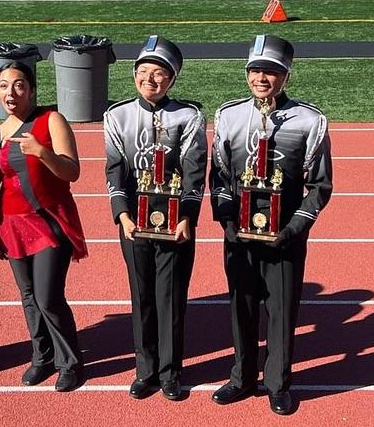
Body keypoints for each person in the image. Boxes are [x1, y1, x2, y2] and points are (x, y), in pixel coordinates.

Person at [209, 35, 333, 415]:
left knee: (281, 312)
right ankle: (242, 377)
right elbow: (220, 176)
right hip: (239, 236)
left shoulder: (310, 121)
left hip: (285, 236)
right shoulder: (228, 116)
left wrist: (293, 228)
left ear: (286, 76)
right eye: (255, 70)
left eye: (271, 72)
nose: (262, 78)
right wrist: (228, 220)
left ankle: (277, 382)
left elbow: (320, 186)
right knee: (241, 308)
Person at [104, 36, 207, 401]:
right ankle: (145, 370)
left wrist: (187, 217)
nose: (150, 79)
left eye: (159, 74)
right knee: (142, 297)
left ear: (172, 79)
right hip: (135, 224)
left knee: (172, 298)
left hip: (176, 224)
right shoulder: (117, 115)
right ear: (134, 75)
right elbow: (115, 169)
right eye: (143, 72)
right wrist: (122, 215)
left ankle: (171, 372)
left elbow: (195, 171)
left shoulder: (188, 116)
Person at [0, 62, 87, 392]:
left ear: (32, 89)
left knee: (48, 297)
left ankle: (71, 363)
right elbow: (3, 179)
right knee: (29, 297)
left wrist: (41, 152)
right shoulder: (1, 129)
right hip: (13, 224)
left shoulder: (51, 120)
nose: (11, 92)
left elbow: (72, 171)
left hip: (48, 221)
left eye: (19, 85)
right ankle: (42, 357)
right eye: (3, 86)